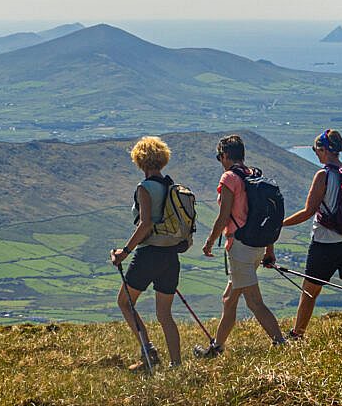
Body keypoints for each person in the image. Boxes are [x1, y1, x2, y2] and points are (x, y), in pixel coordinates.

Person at [195, 134, 285, 358]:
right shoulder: (254, 174)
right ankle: (216, 348)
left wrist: (209, 242)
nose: (220, 161)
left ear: (225, 155)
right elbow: (267, 217)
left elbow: (224, 215)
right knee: (229, 298)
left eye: (219, 157)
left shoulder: (229, 178)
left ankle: (281, 344)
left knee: (254, 302)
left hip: (240, 246)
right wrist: (269, 250)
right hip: (257, 245)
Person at [282, 129, 342, 339]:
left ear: (324, 149)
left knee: (310, 291)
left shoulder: (323, 175)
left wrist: (280, 225)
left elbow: (308, 211)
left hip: (326, 244)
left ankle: (297, 335)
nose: (315, 153)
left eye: (316, 149)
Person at [110, 136, 182, 369]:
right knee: (165, 314)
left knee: (124, 302)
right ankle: (176, 364)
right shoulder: (170, 186)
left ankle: (148, 352)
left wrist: (125, 252)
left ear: (140, 161)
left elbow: (145, 224)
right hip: (170, 255)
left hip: (149, 254)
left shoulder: (145, 188)